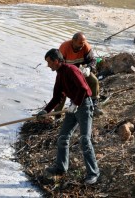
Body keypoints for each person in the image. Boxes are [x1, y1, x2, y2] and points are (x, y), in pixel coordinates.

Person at [37, 48, 100, 184]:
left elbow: (83, 88)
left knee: (85, 140)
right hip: (74, 106)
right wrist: (45, 111)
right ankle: (61, 167)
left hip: (84, 105)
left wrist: (76, 104)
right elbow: (57, 97)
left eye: (49, 62)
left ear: (56, 61)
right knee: (63, 137)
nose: (48, 66)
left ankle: (93, 173)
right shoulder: (60, 74)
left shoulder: (71, 70)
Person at [54, 32, 104, 117]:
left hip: (80, 71)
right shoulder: (64, 48)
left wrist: (89, 68)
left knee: (94, 81)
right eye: (79, 44)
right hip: (66, 73)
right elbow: (58, 66)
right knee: (61, 91)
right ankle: (57, 115)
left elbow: (93, 61)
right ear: (73, 41)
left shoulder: (85, 46)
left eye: (83, 44)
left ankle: (94, 105)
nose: (81, 46)